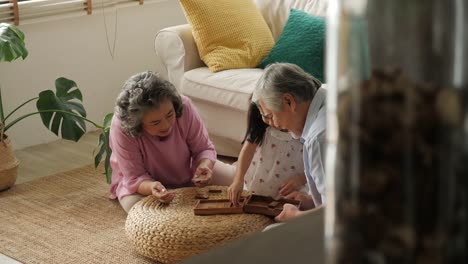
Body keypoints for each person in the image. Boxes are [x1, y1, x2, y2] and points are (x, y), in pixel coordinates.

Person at [109, 71, 217, 212]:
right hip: (141, 186)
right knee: (142, 214)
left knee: (240, 184)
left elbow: (203, 149)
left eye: (170, 115)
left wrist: (205, 166)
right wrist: (152, 187)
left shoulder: (184, 105)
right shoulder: (122, 126)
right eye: (155, 122)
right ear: (138, 123)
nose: (166, 125)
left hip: (188, 171)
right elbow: (135, 176)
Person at [252, 62, 326, 223]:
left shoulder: (319, 138)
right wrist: (312, 202)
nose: (273, 125)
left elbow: (340, 216)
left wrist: (296, 217)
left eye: (270, 116)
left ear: (288, 101)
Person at [217, 102, 307, 206]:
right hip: (258, 184)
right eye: (266, 116)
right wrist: (238, 179)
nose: (272, 122)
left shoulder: (306, 130)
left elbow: (321, 164)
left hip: (292, 189)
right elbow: (247, 151)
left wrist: (301, 179)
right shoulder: (262, 126)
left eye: (271, 116)